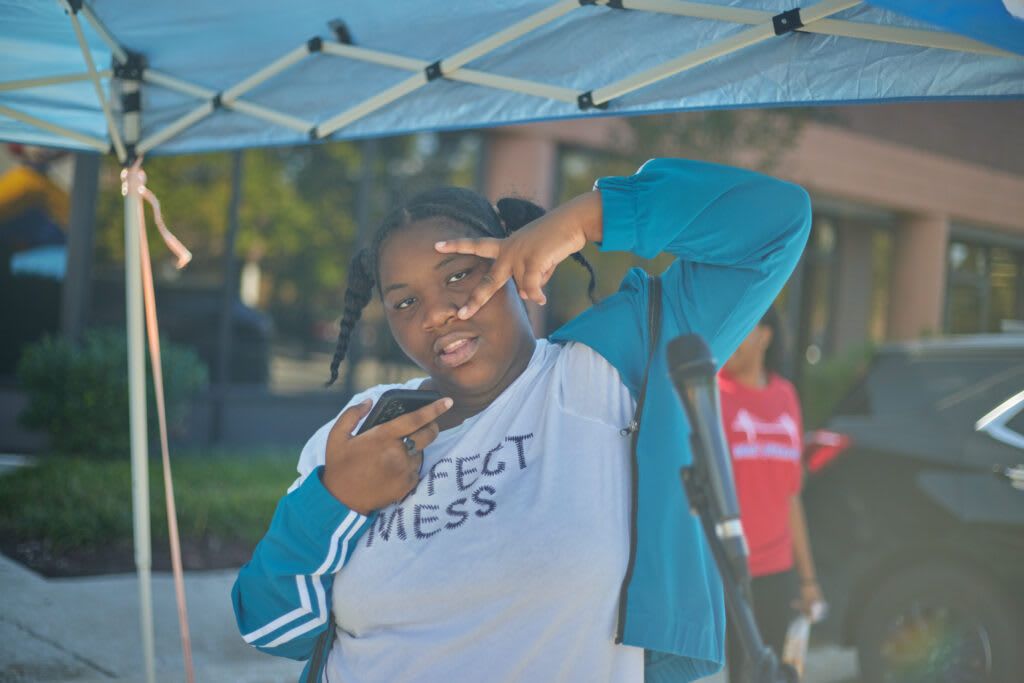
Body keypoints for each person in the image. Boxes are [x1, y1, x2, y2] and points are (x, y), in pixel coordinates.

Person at [232, 158, 811, 683]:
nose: (436, 313)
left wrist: (589, 218)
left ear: (511, 257)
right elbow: (270, 625)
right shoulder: (366, 430)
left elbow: (775, 224)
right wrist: (337, 498)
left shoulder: (612, 367)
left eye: (459, 274)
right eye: (404, 302)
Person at [718, 307, 824, 682]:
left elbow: (791, 495)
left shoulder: (786, 397)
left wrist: (808, 580)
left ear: (765, 336)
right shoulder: (711, 394)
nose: (728, 337)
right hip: (727, 573)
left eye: (740, 326)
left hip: (778, 572)